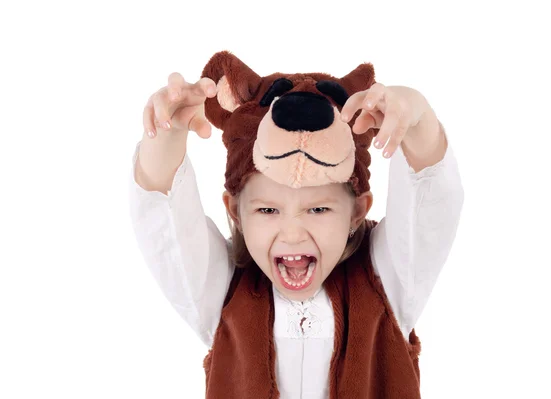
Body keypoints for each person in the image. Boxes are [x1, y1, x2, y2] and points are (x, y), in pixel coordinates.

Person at [129, 50, 464, 399]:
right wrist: (165, 135)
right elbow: (166, 228)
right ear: (235, 212)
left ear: (356, 211)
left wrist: (418, 121)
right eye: (267, 211)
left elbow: (431, 207)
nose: (292, 233)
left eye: (318, 209)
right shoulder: (222, 295)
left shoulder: (388, 282)